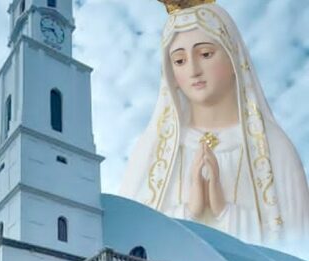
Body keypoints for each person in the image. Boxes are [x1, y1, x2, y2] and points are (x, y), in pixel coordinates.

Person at [118, 0, 309, 245]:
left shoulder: (274, 148)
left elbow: (298, 248)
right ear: (170, 73)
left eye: (205, 54)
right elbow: (129, 243)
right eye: (179, 61)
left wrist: (225, 211)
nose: (193, 70)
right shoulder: (151, 151)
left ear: (234, 58)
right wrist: (189, 211)